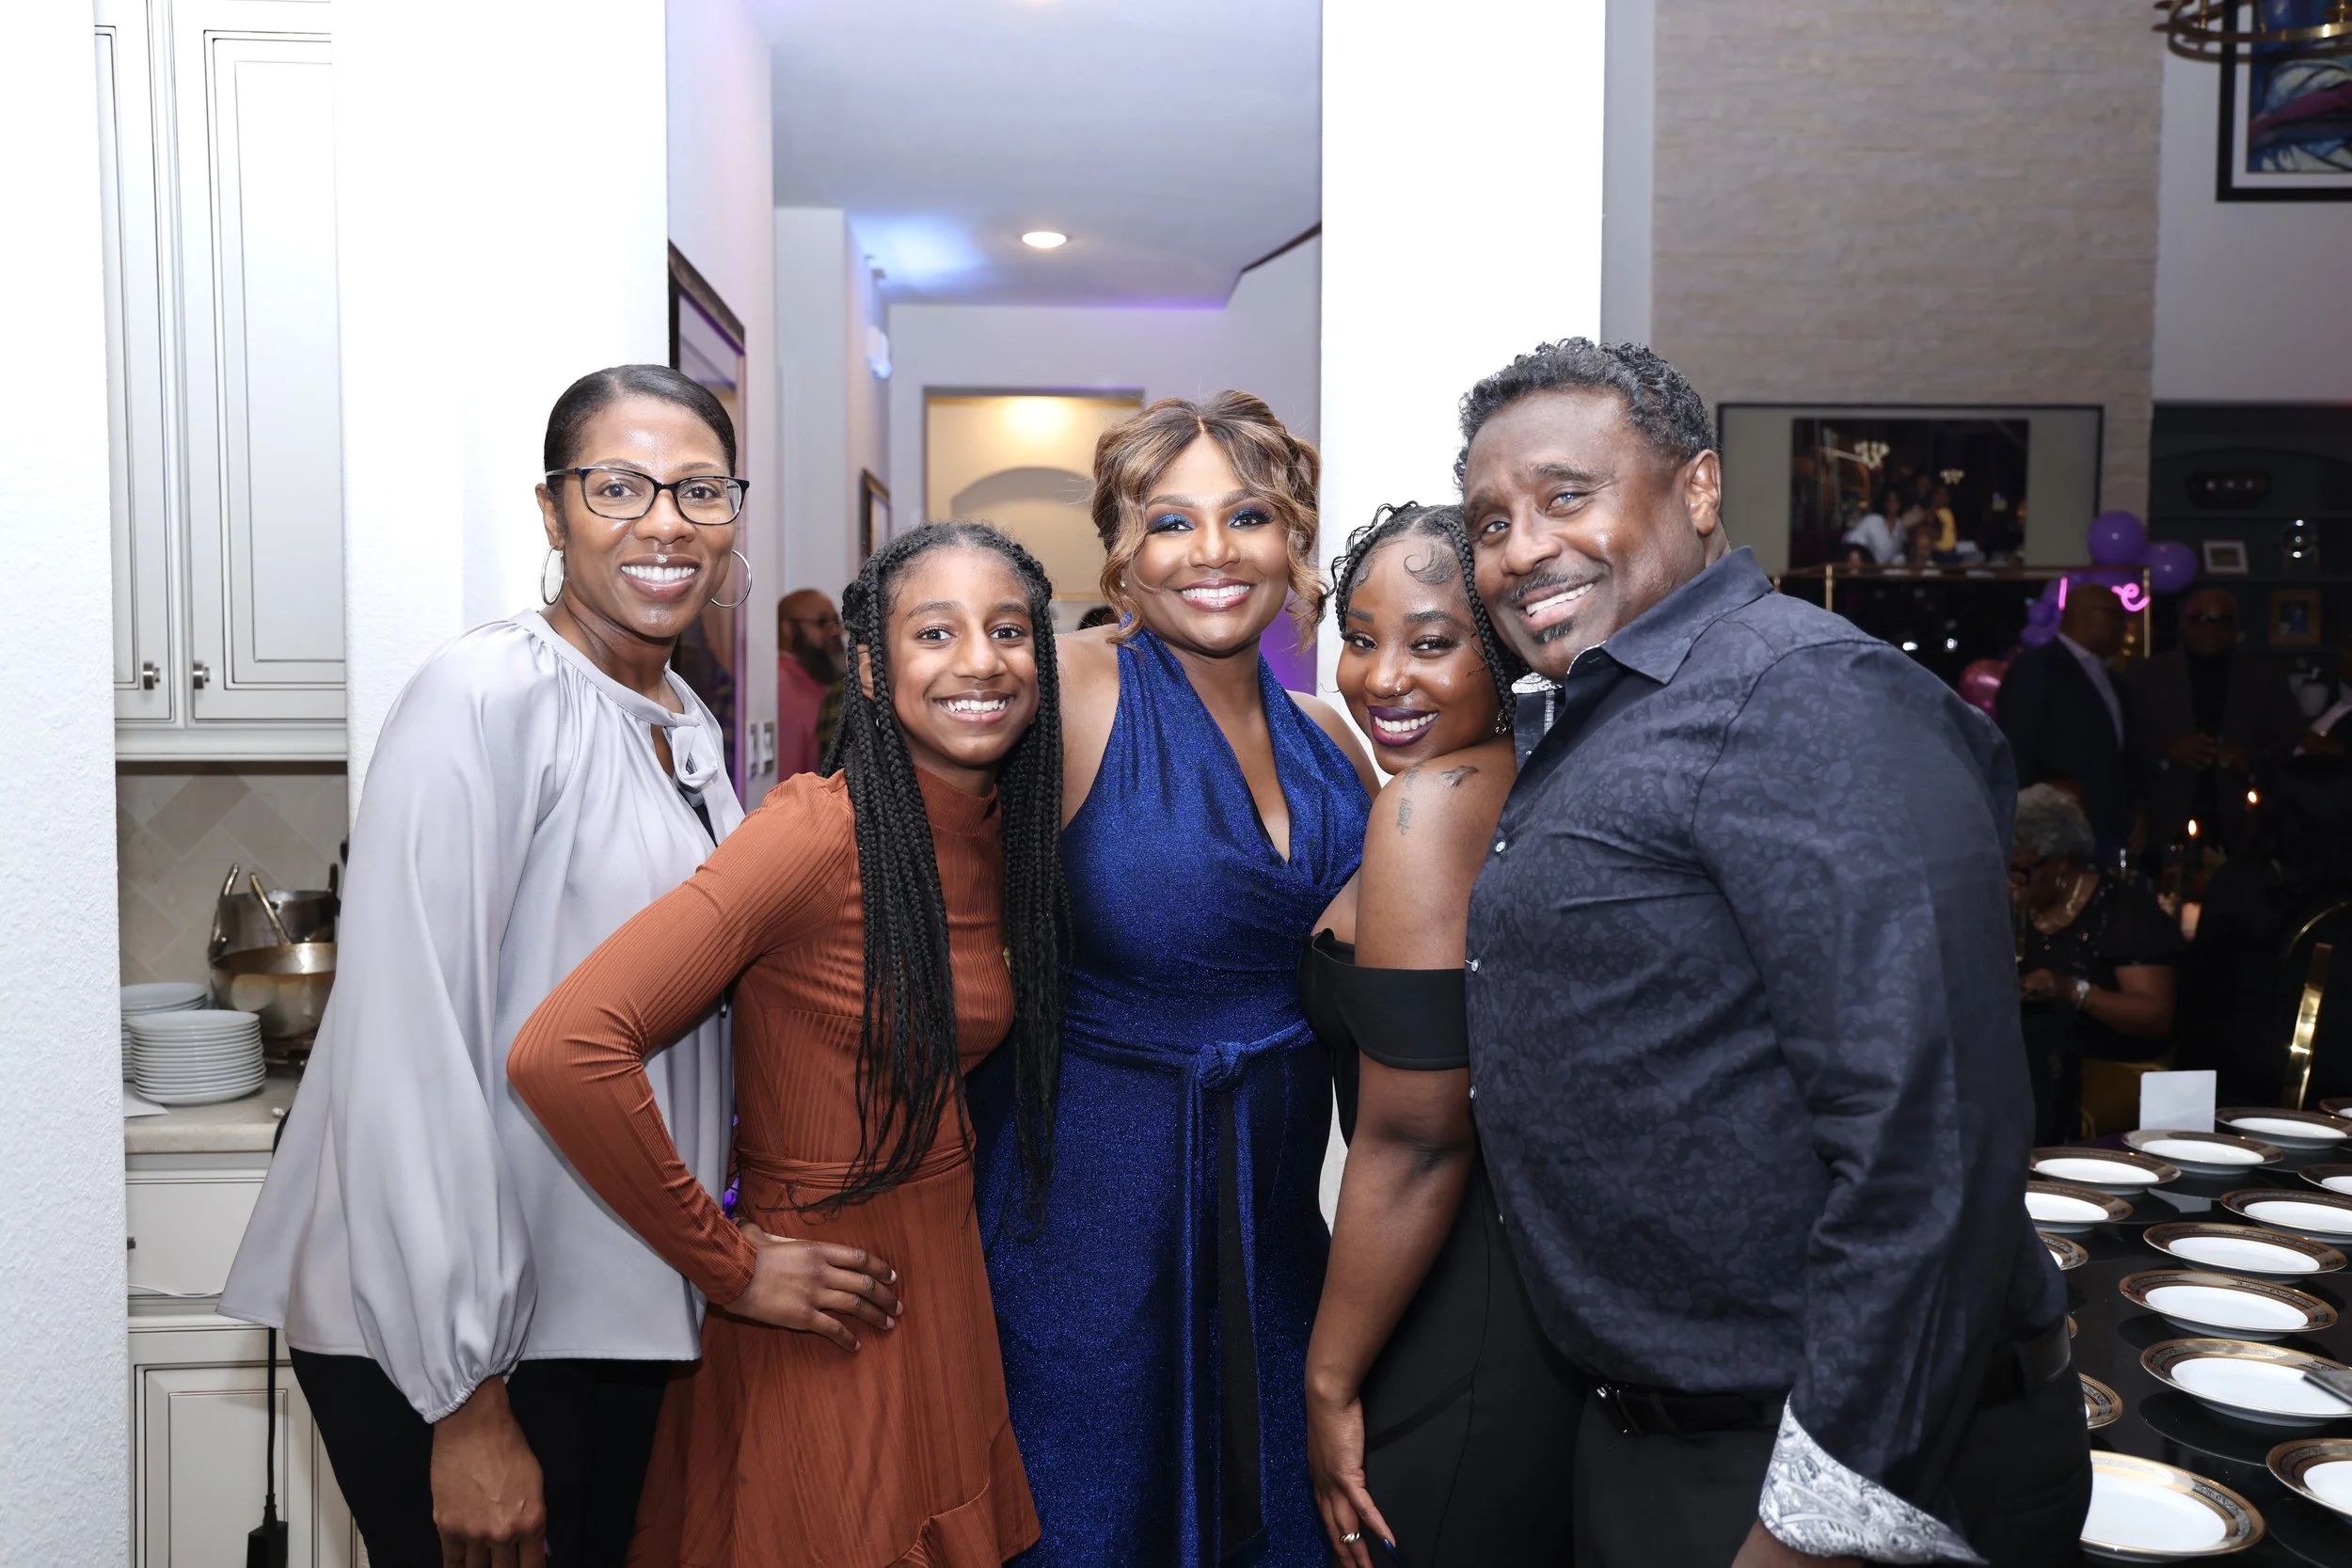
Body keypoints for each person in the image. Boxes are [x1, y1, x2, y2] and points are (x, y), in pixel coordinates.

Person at [1455, 339, 2087, 1568]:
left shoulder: (1804, 695)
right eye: (1490, 522)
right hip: (1664, 1438)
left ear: (1697, 489)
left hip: (1824, 1464)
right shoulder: (1612, 712)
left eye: (1565, 496)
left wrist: (1823, 1515)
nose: (1520, 548)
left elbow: (1932, 1133)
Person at [221, 365, 754, 1567]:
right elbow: (408, 1046)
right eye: (618, 487)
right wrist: (464, 1397)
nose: (666, 522)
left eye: (700, 490)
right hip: (461, 1337)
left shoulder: (676, 713)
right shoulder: (484, 695)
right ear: (552, 511)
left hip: (599, 1303)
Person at [509, 522, 1064, 1566]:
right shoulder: (817, 831)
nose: (981, 660)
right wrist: (729, 1267)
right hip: (825, 1313)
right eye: (934, 631)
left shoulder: (1005, 833)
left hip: (942, 1293)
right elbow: (565, 1047)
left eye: (1008, 630)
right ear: (870, 666)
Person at [968, 391, 1375, 1567]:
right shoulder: (1068, 686)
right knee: (1092, 1523)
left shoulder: (1331, 739)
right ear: (1121, 552)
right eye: (1169, 522)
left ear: (1292, 539)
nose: (1211, 552)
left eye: (1245, 516)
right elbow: (898, 860)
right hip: (1090, 1224)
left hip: (1274, 1219)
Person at [1299, 503, 1581, 1568]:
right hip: (1517, 1310)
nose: (1381, 678)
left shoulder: (1431, 806)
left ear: (1502, 645)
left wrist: (1328, 1379)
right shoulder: (1532, 777)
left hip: (1456, 1314)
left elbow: (1420, 1137)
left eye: (1429, 642)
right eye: (1359, 638)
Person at [2011, 784, 2185, 1142]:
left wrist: (2073, 991)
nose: (2009, 883)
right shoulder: (2016, 908)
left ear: (2061, 861)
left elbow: (2155, 1017)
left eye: (2020, 870)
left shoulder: (2126, 913)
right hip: (2035, 1057)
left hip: (2115, 1060)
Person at [2127, 589, 2303, 855]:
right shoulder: (2147, 675)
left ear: (2236, 627)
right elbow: (2124, 738)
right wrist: (2166, 750)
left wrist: (2250, 760)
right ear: (2183, 624)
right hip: (2163, 815)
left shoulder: (2264, 676)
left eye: (2221, 620)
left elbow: (2289, 737)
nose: (2210, 629)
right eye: (2200, 619)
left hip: (2241, 819)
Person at [1994, 579, 2134, 856]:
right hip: (2057, 827)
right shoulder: (2035, 669)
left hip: (2111, 825)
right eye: (2116, 616)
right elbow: (2017, 748)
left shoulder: (2113, 678)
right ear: (2085, 616)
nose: (2124, 626)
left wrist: (2135, 807)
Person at [777, 586, 847, 775]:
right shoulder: (783, 685)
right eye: (822, 622)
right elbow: (788, 776)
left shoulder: (819, 681)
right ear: (789, 629)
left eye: (836, 622)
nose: (835, 632)